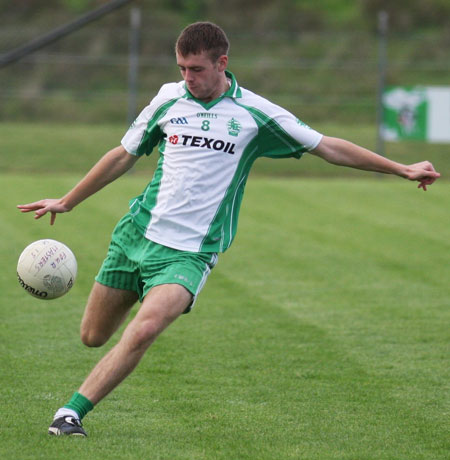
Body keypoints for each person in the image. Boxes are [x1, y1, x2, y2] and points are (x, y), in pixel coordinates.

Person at [17, 22, 440, 437]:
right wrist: (68, 200)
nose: (187, 78)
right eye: (181, 68)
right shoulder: (168, 98)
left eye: (196, 70)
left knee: (144, 329)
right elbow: (123, 155)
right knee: (93, 336)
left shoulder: (255, 113)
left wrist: (401, 168)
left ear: (222, 63)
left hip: (189, 253)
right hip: (136, 234)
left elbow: (327, 146)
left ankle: (70, 414)